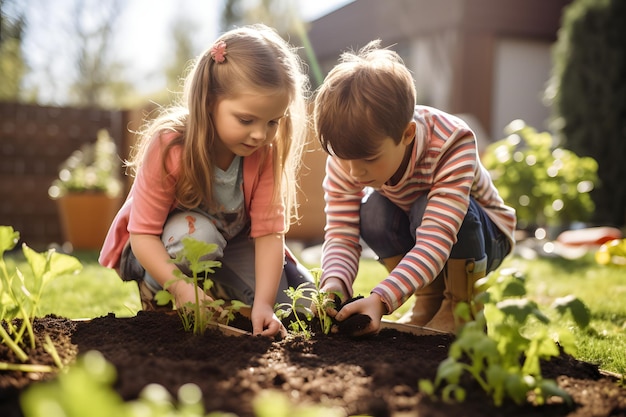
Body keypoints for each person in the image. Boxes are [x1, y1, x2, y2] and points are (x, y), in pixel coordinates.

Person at [99, 24, 313, 337]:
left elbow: (269, 234)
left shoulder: (263, 152)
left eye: (272, 122)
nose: (260, 134)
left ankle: (215, 298)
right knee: (197, 238)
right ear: (209, 102)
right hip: (163, 246)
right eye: (246, 120)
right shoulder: (170, 147)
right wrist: (181, 287)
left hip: (233, 241)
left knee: (297, 301)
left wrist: (264, 305)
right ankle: (159, 296)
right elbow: (143, 235)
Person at [312, 41, 516, 336]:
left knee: (424, 206)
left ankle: (462, 308)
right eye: (344, 160)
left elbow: (435, 239)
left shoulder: (451, 142)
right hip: (420, 228)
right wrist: (334, 286)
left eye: (370, 159)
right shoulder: (348, 156)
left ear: (407, 134)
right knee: (372, 212)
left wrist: (382, 299)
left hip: (487, 235)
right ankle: (428, 301)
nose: (355, 173)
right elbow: (341, 234)